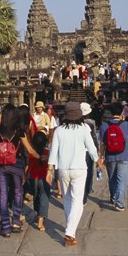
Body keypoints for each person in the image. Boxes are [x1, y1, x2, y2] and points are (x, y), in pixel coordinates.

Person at [47, 102, 102, 247]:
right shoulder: (84, 129)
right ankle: (70, 231)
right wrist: (98, 161)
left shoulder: (59, 130)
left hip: (63, 169)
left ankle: (70, 233)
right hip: (79, 168)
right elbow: (91, 148)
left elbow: (53, 151)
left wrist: (49, 169)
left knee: (67, 199)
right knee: (78, 201)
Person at [0, 104, 39, 238]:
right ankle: (16, 221)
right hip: (16, 164)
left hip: (1, 166)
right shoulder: (19, 131)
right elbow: (29, 150)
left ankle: (5, 226)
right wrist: (41, 157)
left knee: (3, 194)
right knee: (18, 192)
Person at [100, 111, 128, 212]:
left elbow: (102, 144)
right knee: (121, 180)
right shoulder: (127, 124)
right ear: (121, 114)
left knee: (112, 178)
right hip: (124, 156)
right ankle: (119, 203)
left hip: (109, 157)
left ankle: (113, 198)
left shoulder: (104, 125)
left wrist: (101, 157)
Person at [28, 113, 50, 231]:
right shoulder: (47, 153)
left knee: (36, 197)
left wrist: (24, 176)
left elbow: (28, 165)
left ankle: (37, 214)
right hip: (44, 178)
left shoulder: (32, 153)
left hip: (33, 177)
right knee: (44, 198)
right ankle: (41, 221)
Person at [80, 102, 99, 206]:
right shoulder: (91, 122)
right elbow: (94, 137)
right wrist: (97, 150)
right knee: (89, 170)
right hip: (89, 150)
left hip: (79, 150)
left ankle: (82, 192)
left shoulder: (76, 122)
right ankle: (87, 189)